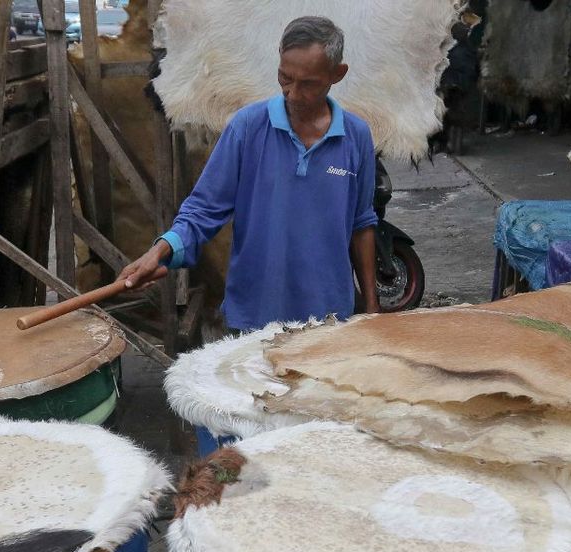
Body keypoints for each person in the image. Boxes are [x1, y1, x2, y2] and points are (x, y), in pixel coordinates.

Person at [118, 15, 379, 331]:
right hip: (255, 317)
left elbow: (361, 223)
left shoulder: (356, 136)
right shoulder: (247, 127)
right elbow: (203, 210)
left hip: (329, 317)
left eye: (308, 84)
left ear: (337, 74)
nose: (293, 94)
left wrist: (372, 305)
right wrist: (160, 252)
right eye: (285, 78)